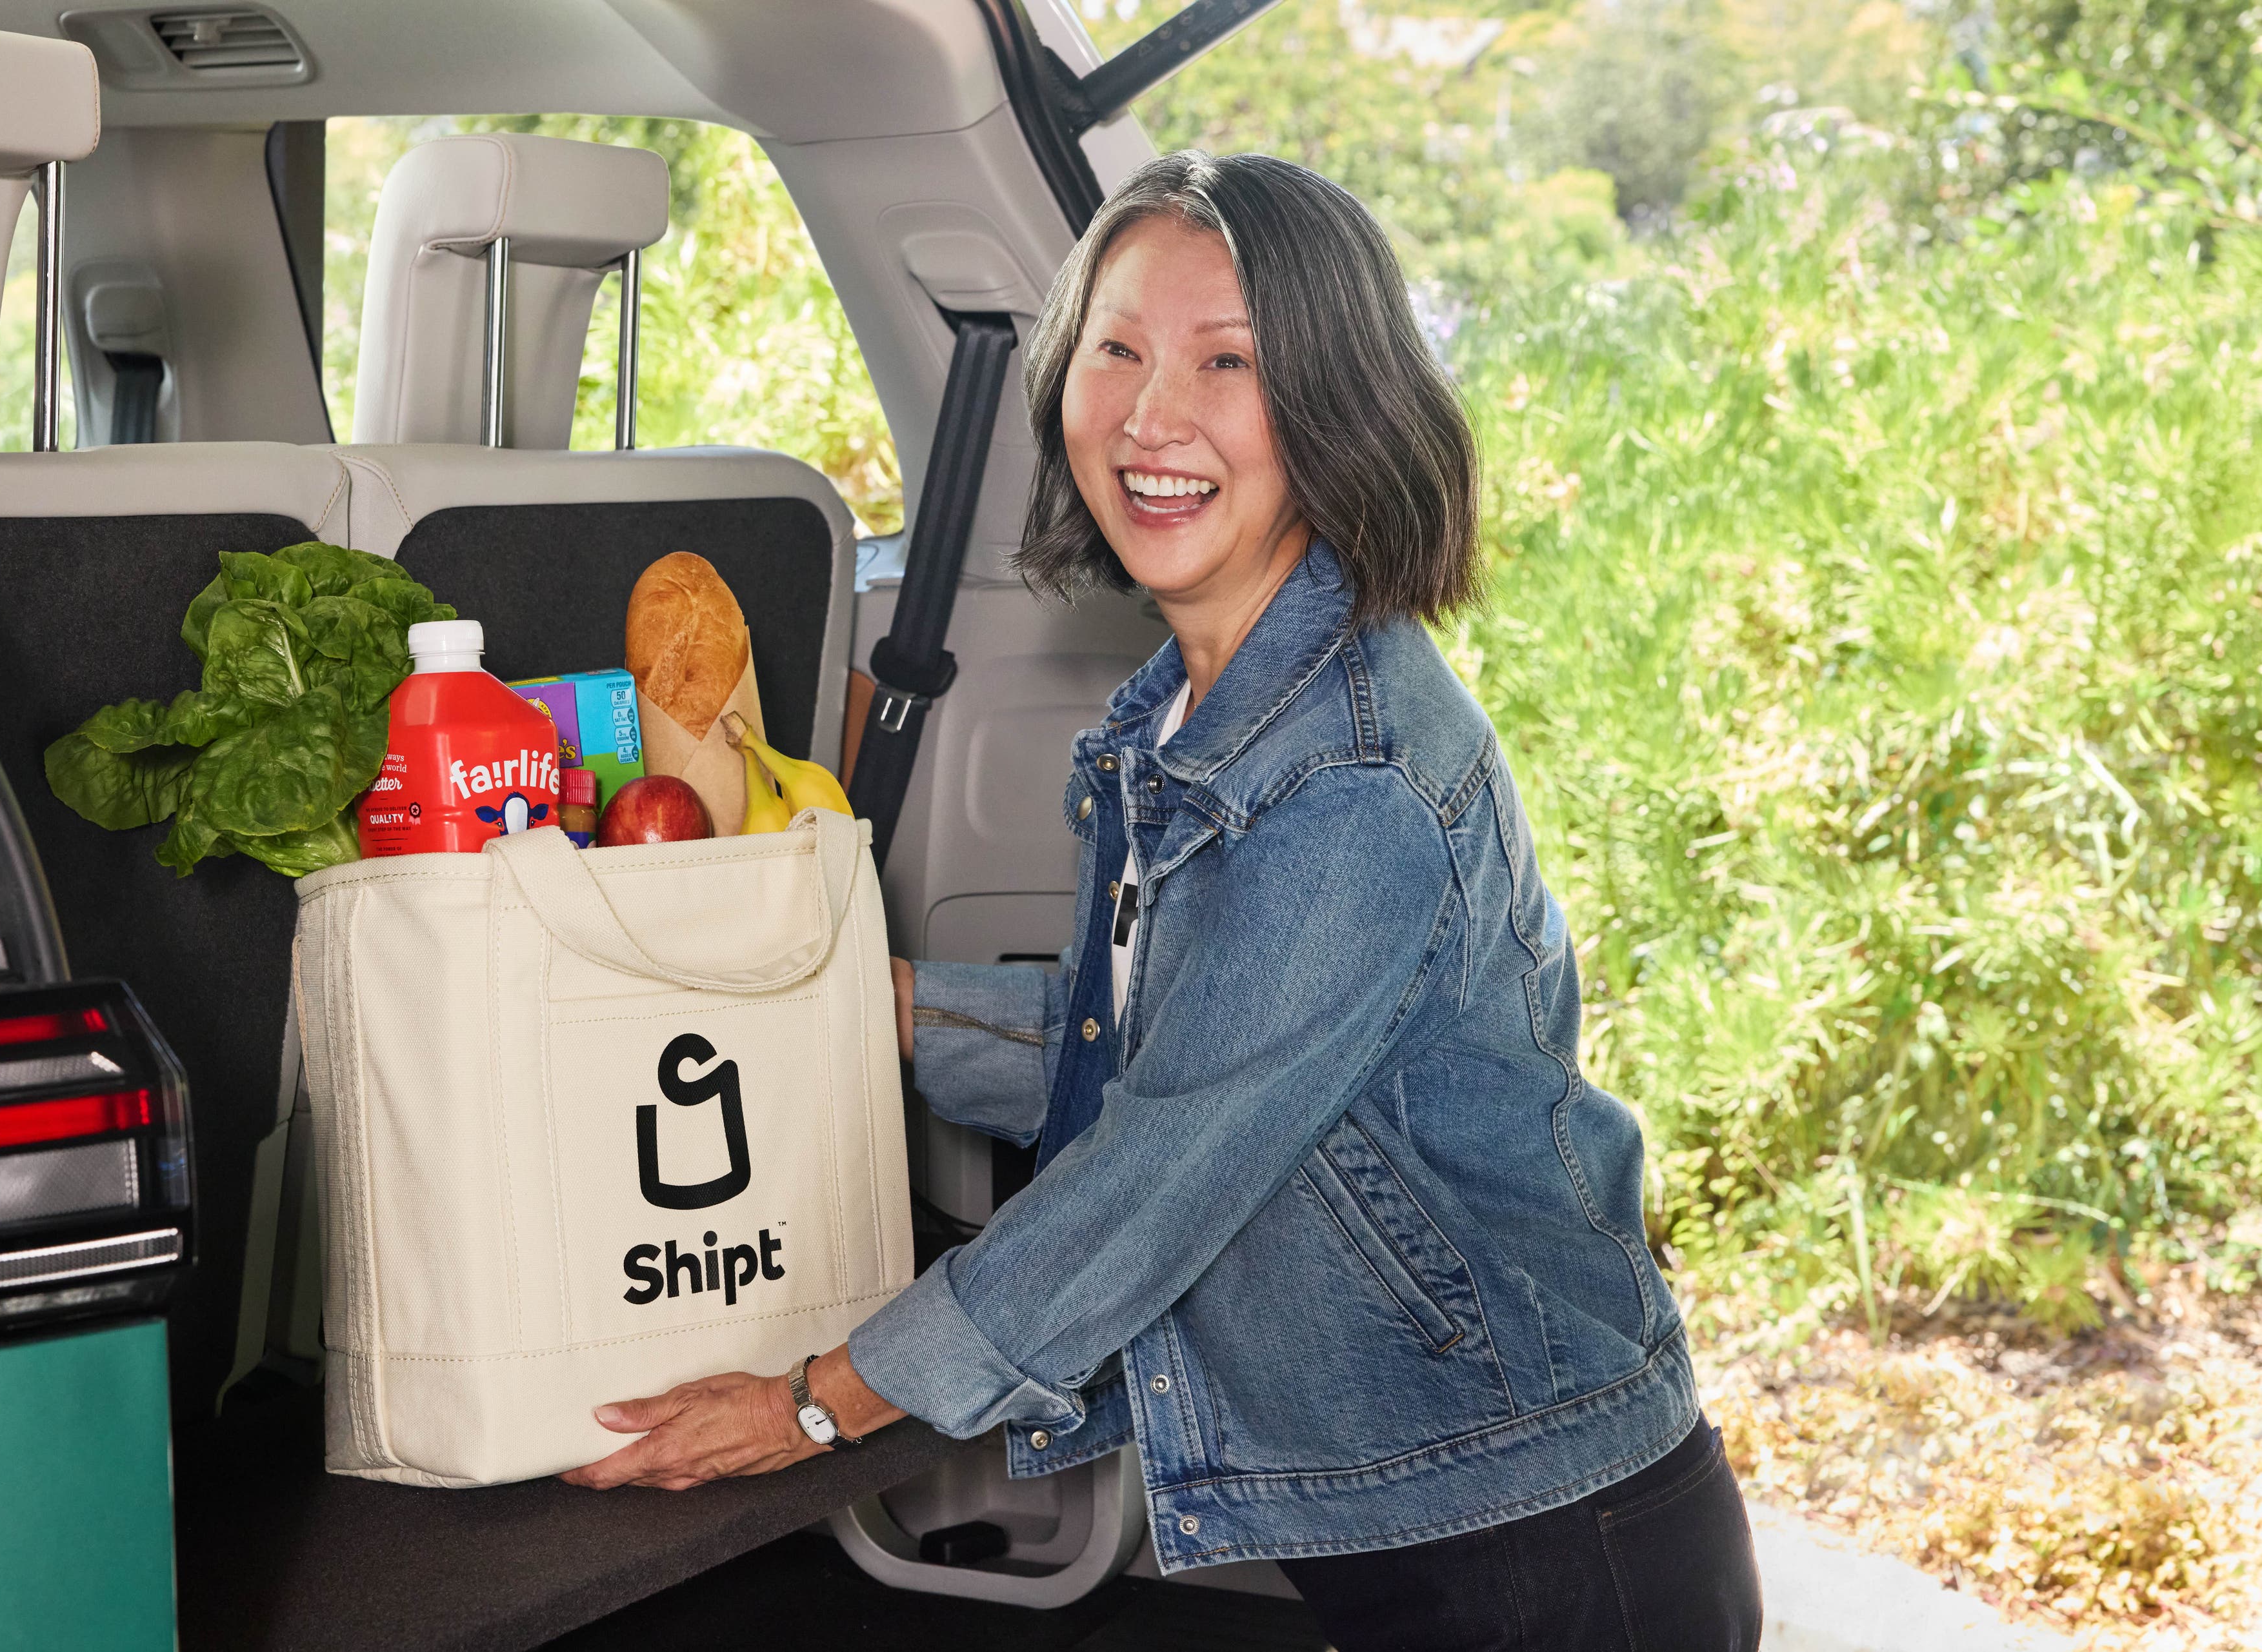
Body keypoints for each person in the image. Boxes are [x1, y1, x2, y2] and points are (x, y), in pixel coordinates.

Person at [559, 150, 1763, 1651]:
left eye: (1228, 361)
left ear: (1337, 405)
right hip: (1437, 1515)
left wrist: (811, 1408)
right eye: (1115, 348)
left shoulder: (1346, 783)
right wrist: (880, 1009)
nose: (1150, 414)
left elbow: (1157, 1174)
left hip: (1540, 1541)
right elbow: (1154, 1044)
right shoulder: (1188, 718)